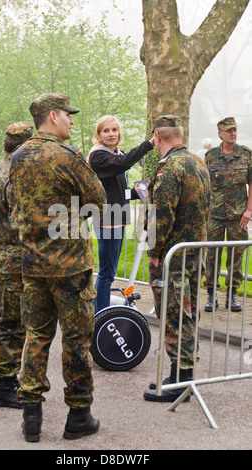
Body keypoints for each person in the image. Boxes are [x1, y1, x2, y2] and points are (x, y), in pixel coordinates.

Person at [9, 93, 106, 443]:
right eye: (68, 115)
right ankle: (78, 416)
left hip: (33, 264)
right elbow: (99, 202)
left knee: (36, 336)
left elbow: (13, 206)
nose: (72, 120)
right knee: (77, 339)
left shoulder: (17, 157)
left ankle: (31, 416)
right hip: (70, 267)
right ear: (53, 115)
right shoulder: (68, 157)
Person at [143, 115, 210, 402]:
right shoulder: (199, 162)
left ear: (158, 136)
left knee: (174, 315)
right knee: (188, 313)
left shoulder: (170, 167)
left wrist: (156, 254)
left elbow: (161, 216)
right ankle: (183, 376)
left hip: (175, 257)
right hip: (195, 253)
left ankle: (179, 383)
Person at [87, 115, 154, 313]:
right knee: (107, 273)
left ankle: (102, 309)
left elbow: (118, 190)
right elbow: (123, 163)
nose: (111, 134)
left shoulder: (116, 153)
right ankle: (101, 316)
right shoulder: (98, 156)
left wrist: (139, 191)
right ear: (98, 134)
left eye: (114, 130)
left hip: (120, 217)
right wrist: (149, 144)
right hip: (107, 219)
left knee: (111, 271)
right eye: (106, 131)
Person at [0, 121, 34, 409]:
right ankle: (4, 385)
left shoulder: (2, 167)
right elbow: (22, 223)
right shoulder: (13, 175)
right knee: (13, 323)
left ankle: (8, 380)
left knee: (12, 320)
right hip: (14, 259)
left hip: (7, 257)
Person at [204, 117, 252, 312]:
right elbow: (204, 185)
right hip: (214, 215)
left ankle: (232, 294)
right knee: (211, 256)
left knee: (236, 256)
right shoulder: (211, 156)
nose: (233, 133)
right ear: (220, 134)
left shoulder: (246, 155)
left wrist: (249, 210)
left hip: (238, 216)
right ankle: (211, 294)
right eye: (228, 130)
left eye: (234, 130)